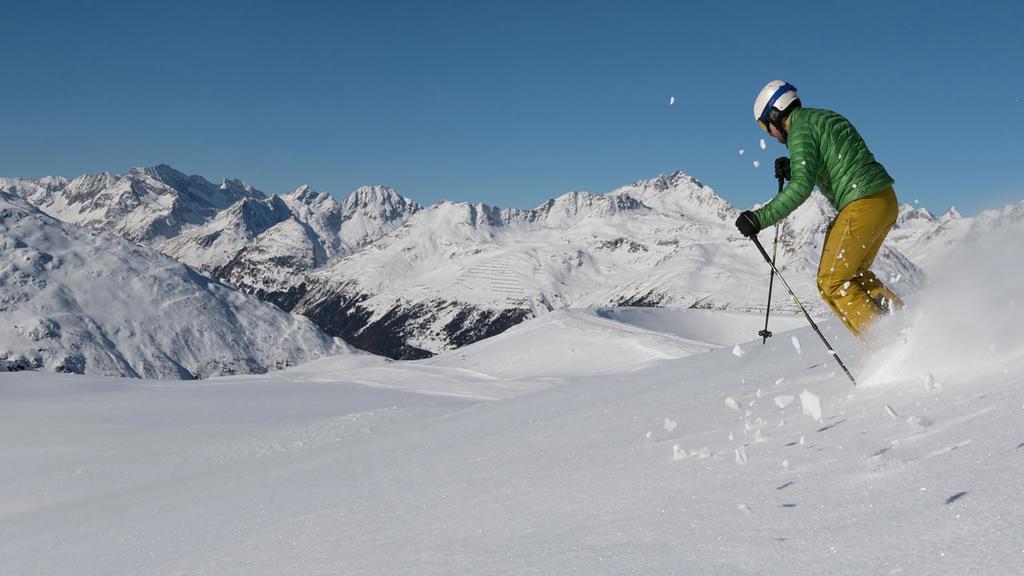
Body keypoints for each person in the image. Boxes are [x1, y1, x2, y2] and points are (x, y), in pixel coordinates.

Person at [735, 80, 903, 340]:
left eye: (764, 124)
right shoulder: (822, 117)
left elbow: (802, 187)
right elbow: (833, 153)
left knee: (831, 282)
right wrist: (798, 165)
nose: (768, 133)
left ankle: (892, 345)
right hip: (884, 200)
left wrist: (758, 218)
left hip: (860, 204)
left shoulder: (799, 130)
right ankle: (905, 324)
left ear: (776, 114)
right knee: (854, 276)